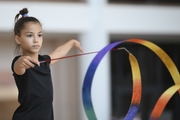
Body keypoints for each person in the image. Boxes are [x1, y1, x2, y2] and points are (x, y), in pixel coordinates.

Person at [11, 8, 84, 120]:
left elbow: (58, 52)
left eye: (39, 35)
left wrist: (72, 42)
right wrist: (22, 62)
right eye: (30, 35)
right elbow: (18, 66)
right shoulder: (20, 62)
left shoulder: (44, 62)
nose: (36, 40)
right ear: (18, 39)